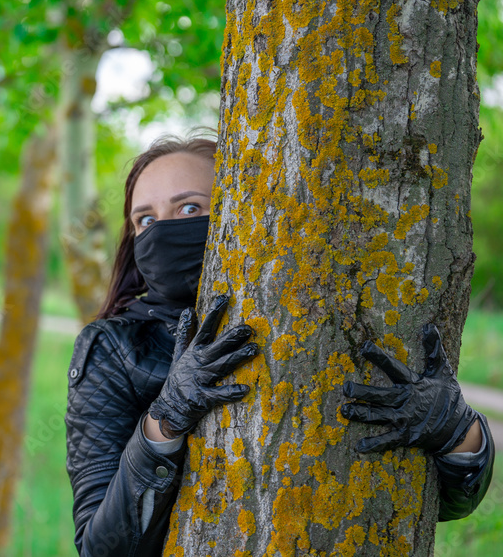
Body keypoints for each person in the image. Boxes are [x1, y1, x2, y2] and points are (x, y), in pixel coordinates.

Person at [64, 133, 496, 556]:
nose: (162, 233)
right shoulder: (112, 346)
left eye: (191, 207)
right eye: (147, 220)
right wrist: (166, 419)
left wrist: (458, 431)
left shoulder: (312, 312)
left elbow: (440, 503)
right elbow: (100, 548)